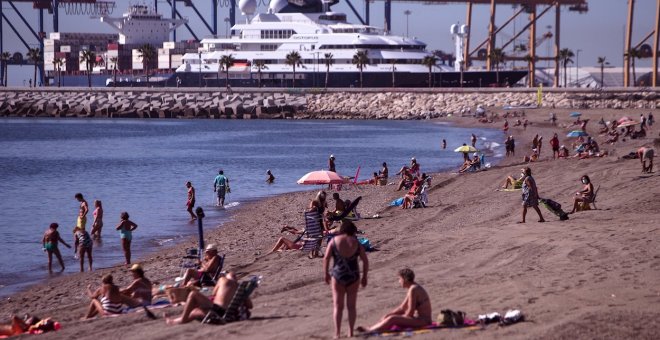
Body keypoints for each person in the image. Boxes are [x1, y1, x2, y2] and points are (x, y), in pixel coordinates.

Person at [323, 220, 369, 339]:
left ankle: (337, 333)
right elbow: (365, 260)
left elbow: (326, 258)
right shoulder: (356, 243)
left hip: (338, 275)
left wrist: (326, 274)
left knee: (338, 306)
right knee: (351, 306)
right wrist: (364, 276)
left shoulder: (333, 241)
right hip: (353, 275)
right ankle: (350, 332)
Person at [357, 268, 432, 333]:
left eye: (400, 279)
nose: (399, 281)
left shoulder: (413, 289)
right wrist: (389, 314)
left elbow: (410, 312)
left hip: (424, 321)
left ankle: (371, 330)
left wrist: (398, 318)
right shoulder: (412, 288)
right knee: (390, 316)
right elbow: (402, 308)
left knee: (393, 319)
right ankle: (372, 327)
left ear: (405, 279)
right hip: (421, 319)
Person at [166, 271, 252, 324]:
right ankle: (177, 320)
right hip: (233, 313)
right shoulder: (240, 288)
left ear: (227, 276)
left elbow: (214, 293)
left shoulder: (222, 280)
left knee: (193, 294)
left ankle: (182, 320)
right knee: (195, 312)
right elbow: (250, 305)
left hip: (220, 311)